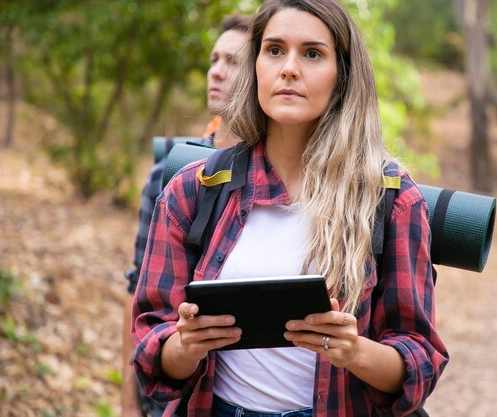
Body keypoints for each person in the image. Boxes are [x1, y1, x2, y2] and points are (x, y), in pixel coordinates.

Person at [132, 1, 448, 416]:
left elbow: (419, 362)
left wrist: (354, 351)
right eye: (275, 50)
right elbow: (151, 350)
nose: (289, 68)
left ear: (343, 76)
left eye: (313, 53)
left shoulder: (389, 199)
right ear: (256, 65)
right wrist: (185, 344)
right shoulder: (193, 191)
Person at [121, 14, 252, 417]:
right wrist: (128, 405)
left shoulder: (283, 176)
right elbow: (139, 297)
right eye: (214, 59)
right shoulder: (172, 173)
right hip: (172, 395)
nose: (216, 71)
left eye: (232, 61)